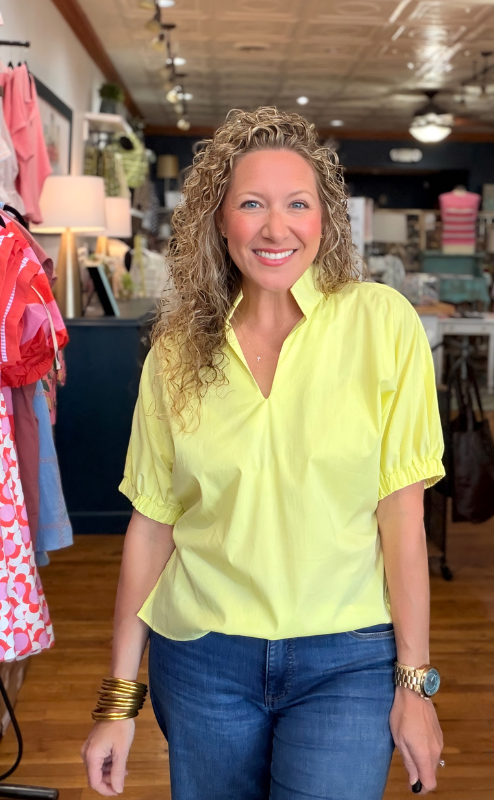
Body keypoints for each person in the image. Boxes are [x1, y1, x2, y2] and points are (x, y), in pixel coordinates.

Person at [81, 106, 445, 800]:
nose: (276, 228)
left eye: (297, 204)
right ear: (220, 221)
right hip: (203, 660)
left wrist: (415, 686)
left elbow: (402, 518)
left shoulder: (381, 324)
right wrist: (118, 702)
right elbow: (152, 527)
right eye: (252, 204)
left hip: (348, 657)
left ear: (325, 220)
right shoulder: (177, 351)